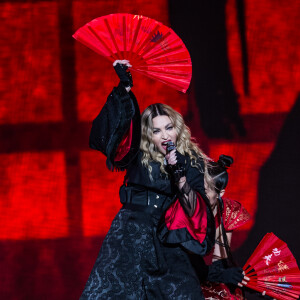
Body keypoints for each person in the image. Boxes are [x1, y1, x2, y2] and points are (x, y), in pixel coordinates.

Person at [80, 60, 215, 299]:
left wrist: (179, 175)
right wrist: (124, 88)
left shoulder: (191, 162)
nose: (164, 135)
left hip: (167, 239)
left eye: (169, 128)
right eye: (156, 131)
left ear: (178, 130)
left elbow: (197, 210)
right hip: (130, 233)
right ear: (148, 136)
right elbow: (111, 135)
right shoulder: (136, 154)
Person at [200, 155, 251, 299]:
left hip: (208, 272)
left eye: (204, 191)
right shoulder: (184, 209)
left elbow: (219, 258)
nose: (198, 195)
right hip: (184, 270)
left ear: (220, 193)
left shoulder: (226, 212)